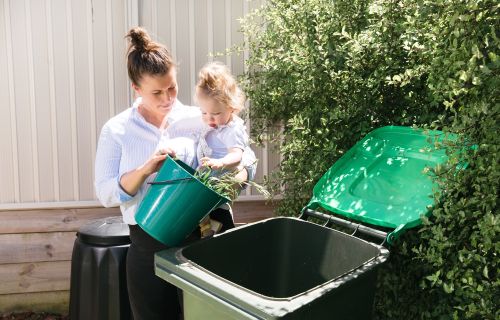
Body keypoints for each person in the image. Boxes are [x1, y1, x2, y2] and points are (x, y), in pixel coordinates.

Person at [94, 27, 256, 320]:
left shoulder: (202, 115)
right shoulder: (117, 130)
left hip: (205, 237)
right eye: (157, 92)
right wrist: (145, 170)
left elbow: (245, 156)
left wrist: (240, 174)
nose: (167, 98)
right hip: (148, 243)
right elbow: (105, 192)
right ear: (136, 89)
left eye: (172, 87)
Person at [195, 61, 250, 237]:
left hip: (221, 176)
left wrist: (220, 162)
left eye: (215, 114)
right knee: (200, 208)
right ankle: (212, 227)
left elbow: (237, 155)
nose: (209, 118)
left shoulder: (232, 130)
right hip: (208, 175)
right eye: (204, 113)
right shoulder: (215, 123)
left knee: (207, 206)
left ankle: (215, 229)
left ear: (231, 108)